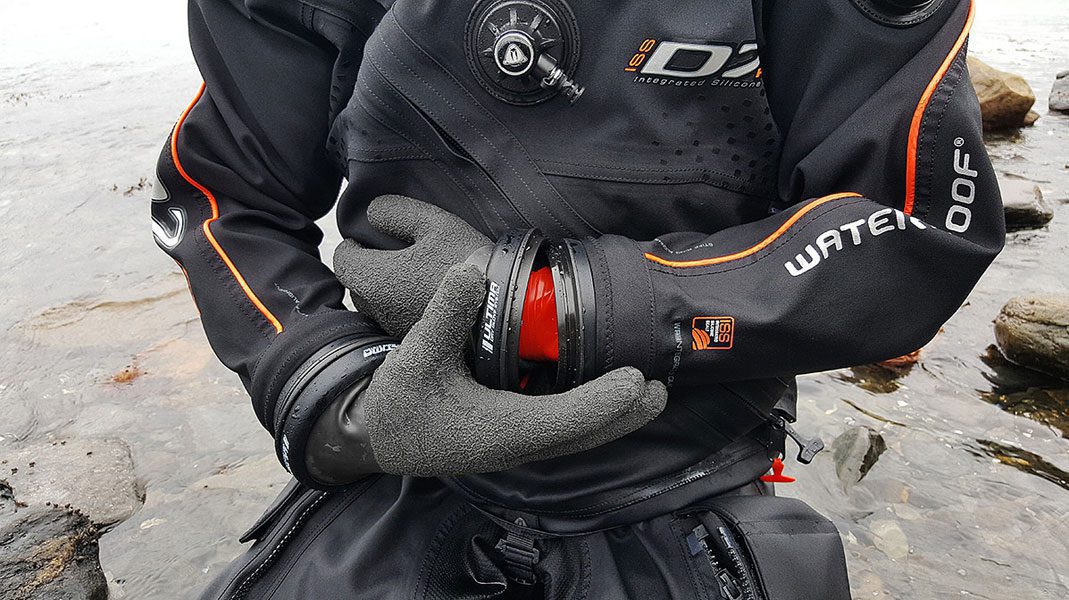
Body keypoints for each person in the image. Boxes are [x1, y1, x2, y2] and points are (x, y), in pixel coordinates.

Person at [151, 0, 1004, 597]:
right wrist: (336, 396)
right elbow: (225, 196)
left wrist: (544, 311)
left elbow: (912, 226)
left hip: (686, 482)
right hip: (403, 467)